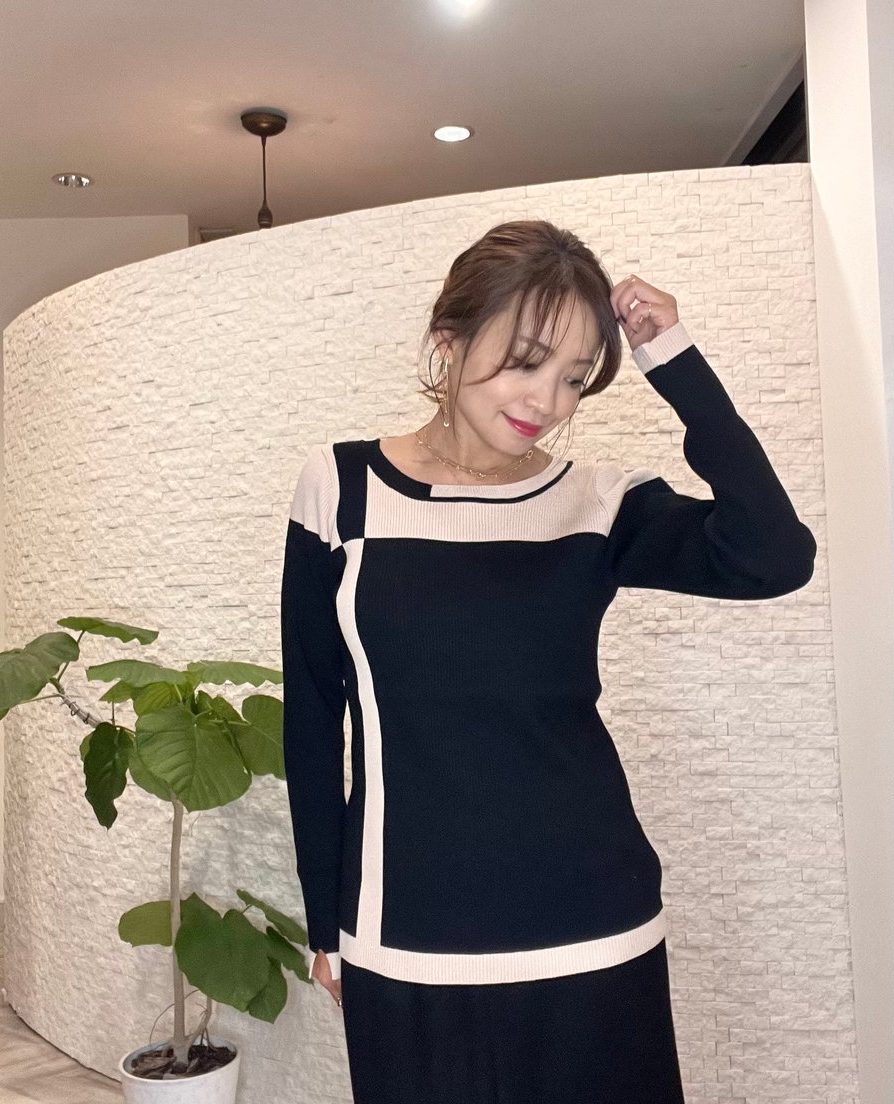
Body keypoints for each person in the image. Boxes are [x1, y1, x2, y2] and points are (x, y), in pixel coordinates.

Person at [279, 219, 817, 1103]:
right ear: (449, 341)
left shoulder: (596, 502)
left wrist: (676, 361)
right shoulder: (341, 490)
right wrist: (325, 919)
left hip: (594, 923)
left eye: (575, 377)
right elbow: (311, 718)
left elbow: (775, 556)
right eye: (526, 362)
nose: (548, 401)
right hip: (406, 930)